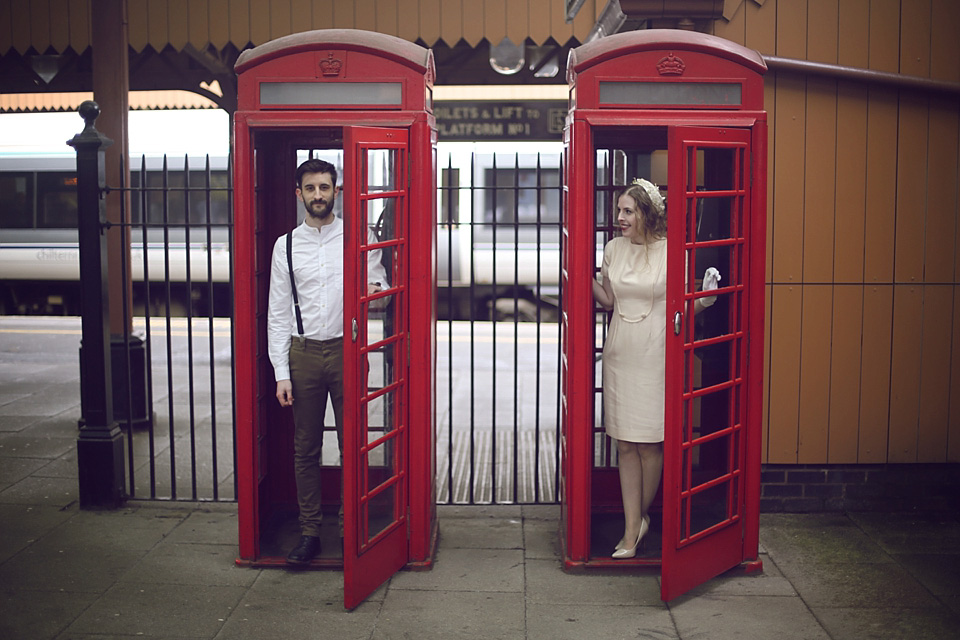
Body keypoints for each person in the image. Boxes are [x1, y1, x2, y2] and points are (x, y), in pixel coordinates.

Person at [267, 158, 388, 565]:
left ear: (337, 191)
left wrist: (374, 290)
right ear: (298, 193)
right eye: (311, 188)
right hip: (302, 353)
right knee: (306, 447)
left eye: (325, 187)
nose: (318, 194)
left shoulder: (357, 236)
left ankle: (351, 525)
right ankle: (309, 531)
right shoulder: (284, 246)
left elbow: (384, 291)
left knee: (353, 443)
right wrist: (281, 372)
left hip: (347, 349)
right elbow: (278, 313)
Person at [592, 178, 719, 559]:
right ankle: (633, 530)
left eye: (628, 211)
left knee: (649, 443)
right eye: (618, 210)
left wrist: (706, 299)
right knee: (625, 444)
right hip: (620, 352)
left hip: (656, 352)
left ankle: (638, 520)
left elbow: (679, 307)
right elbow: (609, 299)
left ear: (646, 214)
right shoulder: (613, 249)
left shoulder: (670, 252)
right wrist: (579, 275)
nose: (619, 218)